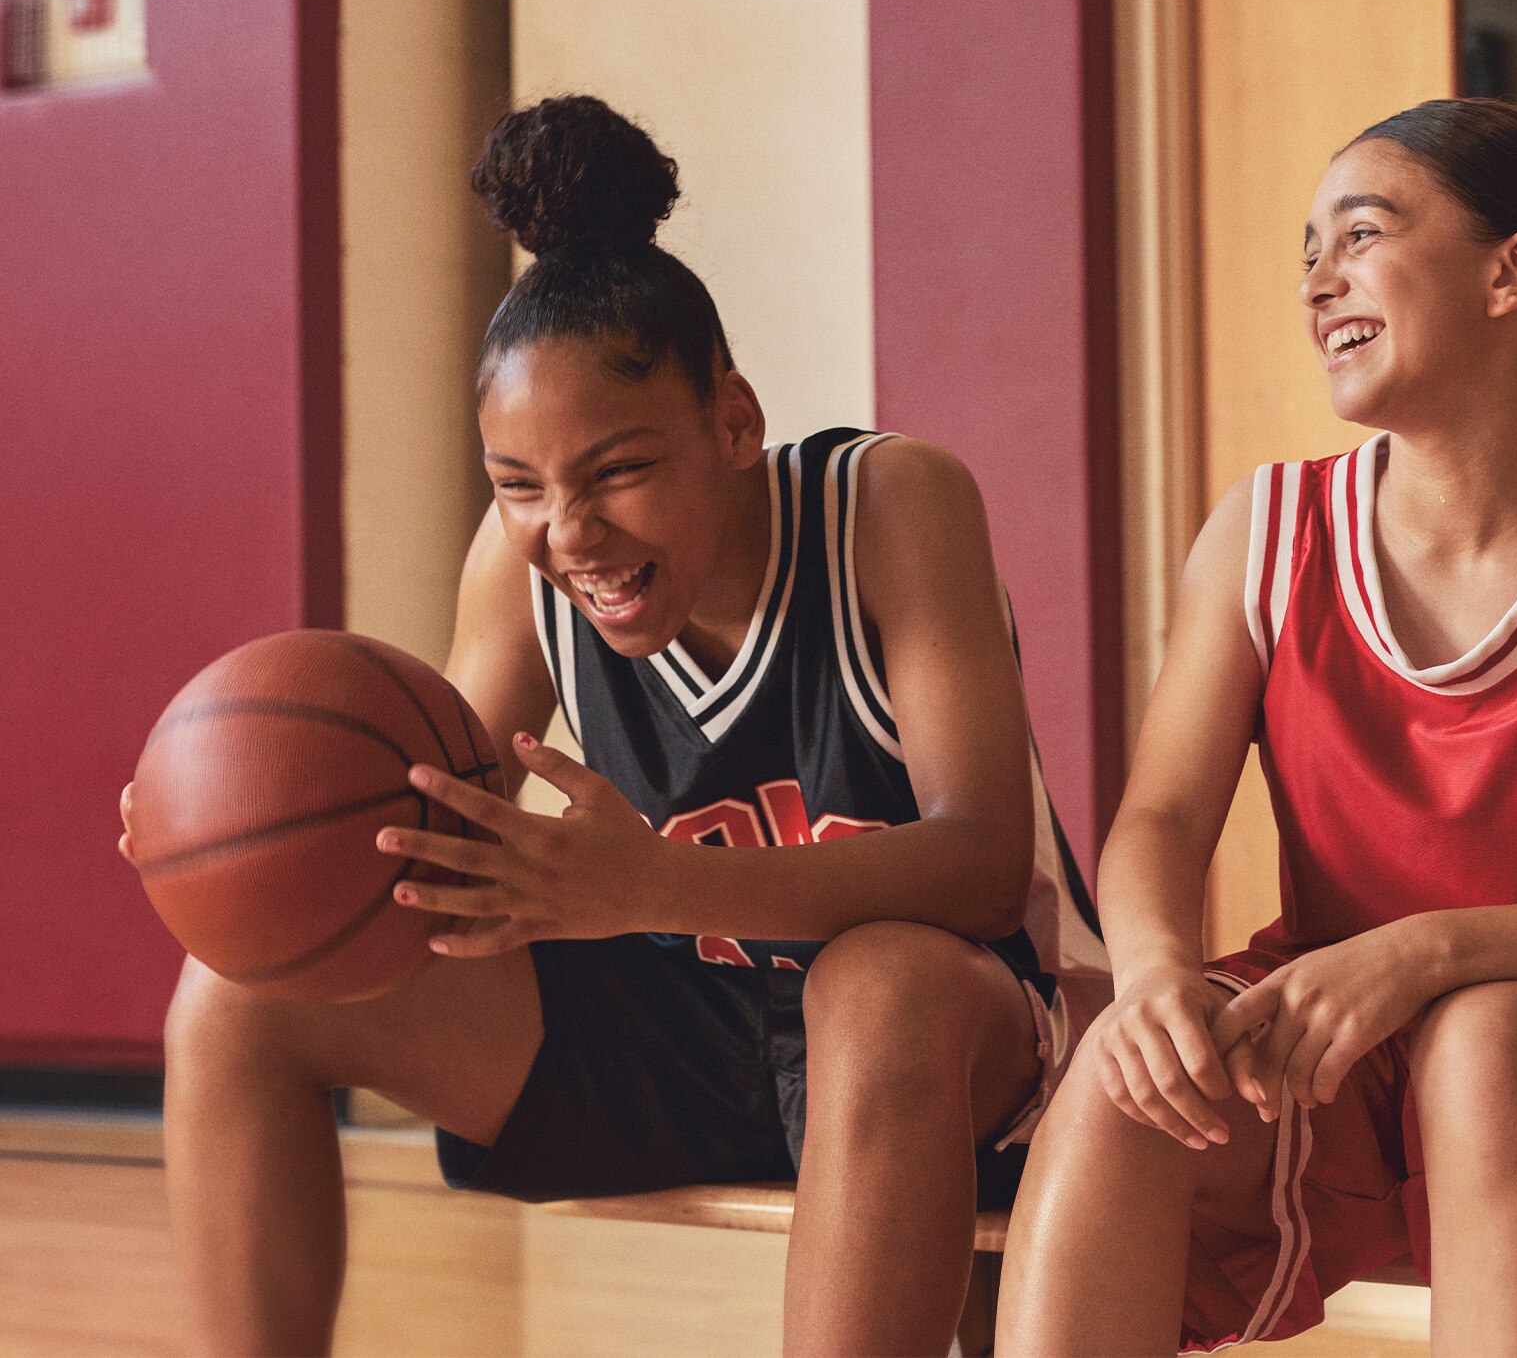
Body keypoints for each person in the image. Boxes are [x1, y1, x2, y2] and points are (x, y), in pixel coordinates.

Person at [122, 94, 1107, 1357]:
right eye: (519, 485)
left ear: (733, 424)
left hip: (968, 1035)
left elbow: (977, 868)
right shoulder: (523, 571)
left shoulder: (887, 503)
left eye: (617, 470)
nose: (569, 531)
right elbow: (426, 837)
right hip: (698, 1031)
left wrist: (649, 881)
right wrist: (215, 833)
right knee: (237, 992)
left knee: (873, 985)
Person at [993, 98, 1517, 1357]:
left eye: (1357, 236)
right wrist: (1149, 976)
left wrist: (1429, 953)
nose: (1317, 281)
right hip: (1335, 1035)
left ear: (1514, 270)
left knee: (1489, 1037)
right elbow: (1157, 819)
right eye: (1305, 252)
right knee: (1119, 1080)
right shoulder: (1263, 529)